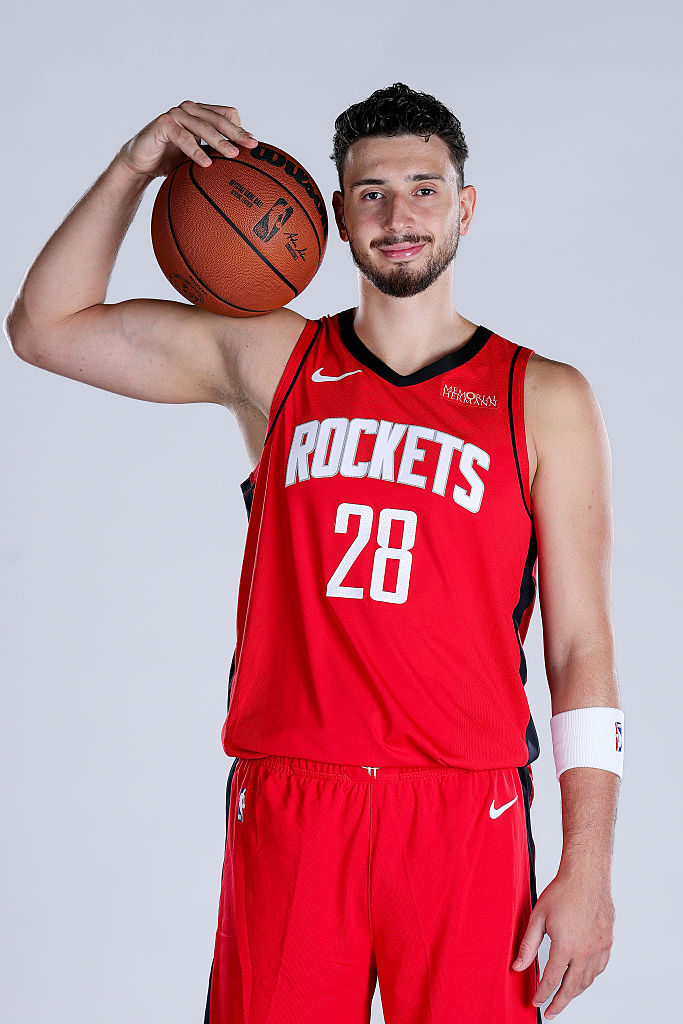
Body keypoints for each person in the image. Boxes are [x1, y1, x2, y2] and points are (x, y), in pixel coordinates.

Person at [5, 82, 623, 1024]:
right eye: (371, 192)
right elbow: (44, 329)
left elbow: (580, 648)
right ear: (335, 216)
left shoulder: (541, 396)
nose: (399, 214)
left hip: (464, 809)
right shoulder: (272, 362)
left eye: (424, 187)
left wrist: (586, 870)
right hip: (294, 800)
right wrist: (135, 167)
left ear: (464, 206)